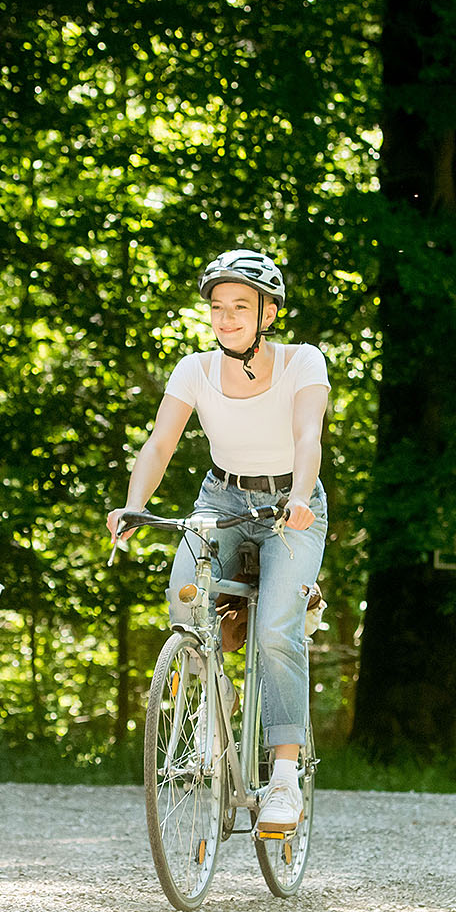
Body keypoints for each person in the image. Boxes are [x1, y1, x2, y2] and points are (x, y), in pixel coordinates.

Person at [107, 248, 329, 835]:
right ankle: (217, 699)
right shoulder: (195, 370)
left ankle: (283, 779)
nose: (226, 318)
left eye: (240, 306)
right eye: (217, 306)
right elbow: (160, 443)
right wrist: (135, 505)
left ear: (268, 314)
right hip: (221, 498)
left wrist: (301, 496)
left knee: (277, 627)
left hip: (290, 502)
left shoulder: (303, 362)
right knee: (184, 601)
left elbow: (308, 436)